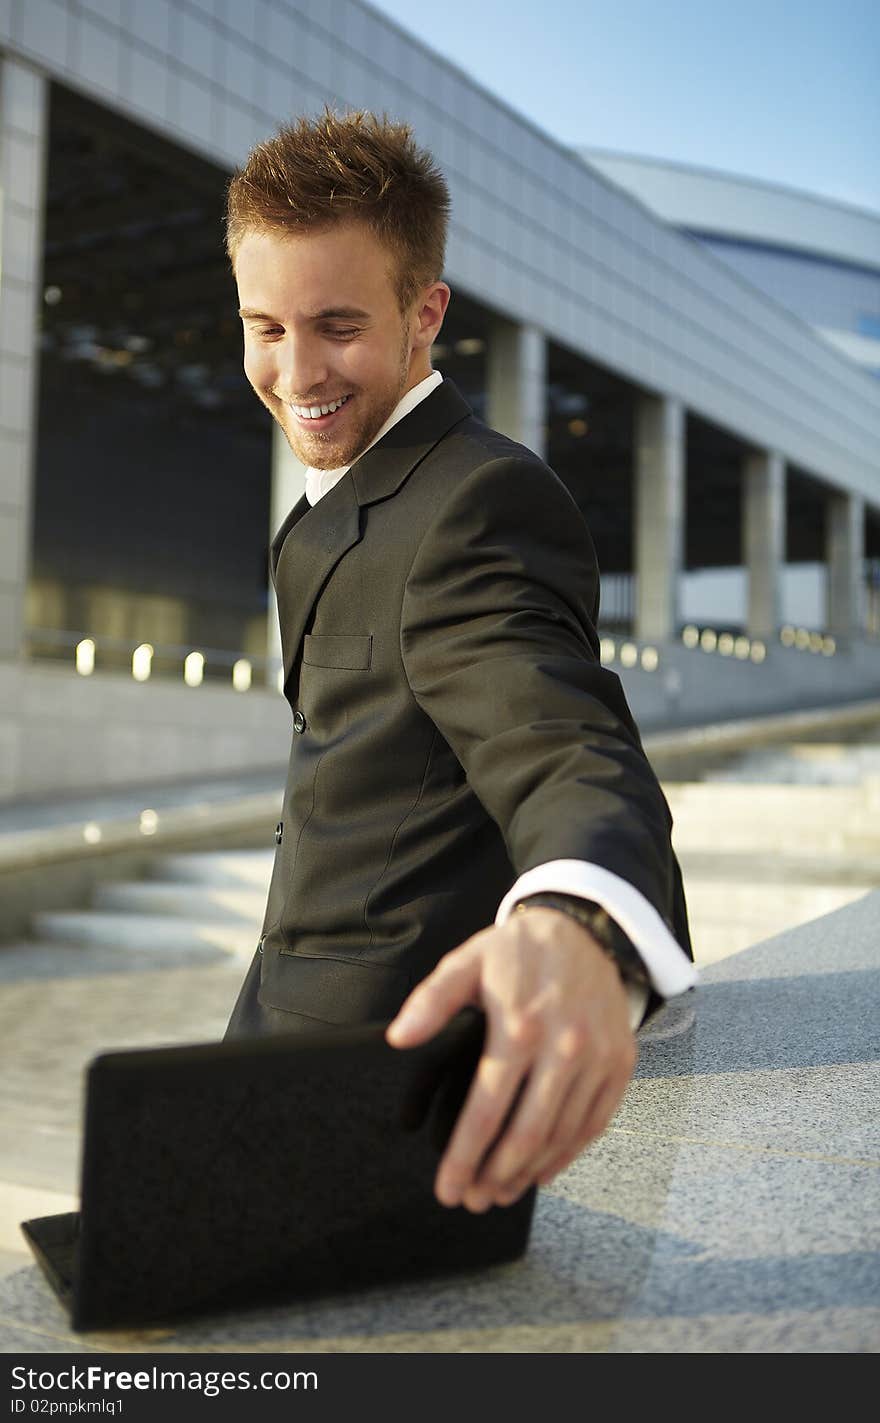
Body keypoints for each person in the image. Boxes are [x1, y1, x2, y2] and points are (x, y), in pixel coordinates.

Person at [223, 109, 696, 1216]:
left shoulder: (477, 500)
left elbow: (562, 746)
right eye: (264, 326)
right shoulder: (321, 514)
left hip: (389, 1083)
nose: (295, 371)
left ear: (424, 312)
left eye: (336, 325)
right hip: (279, 1037)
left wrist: (574, 925)